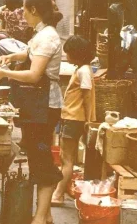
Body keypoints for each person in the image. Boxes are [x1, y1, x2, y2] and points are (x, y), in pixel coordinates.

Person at [0, 0, 63, 224]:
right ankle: (46, 214)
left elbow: (33, 74)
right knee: (35, 153)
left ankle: (39, 218)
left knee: (40, 157)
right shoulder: (40, 34)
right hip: (36, 105)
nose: (21, 14)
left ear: (34, 11)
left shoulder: (47, 37)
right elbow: (30, 53)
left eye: (23, 10)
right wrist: (11, 58)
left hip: (44, 106)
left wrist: (5, 73)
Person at [52, 35, 96, 205]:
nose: (67, 56)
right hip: (72, 117)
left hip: (73, 118)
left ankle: (58, 194)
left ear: (77, 54)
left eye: (69, 53)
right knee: (67, 158)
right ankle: (63, 190)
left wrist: (89, 119)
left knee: (67, 159)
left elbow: (87, 96)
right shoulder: (82, 69)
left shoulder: (84, 71)